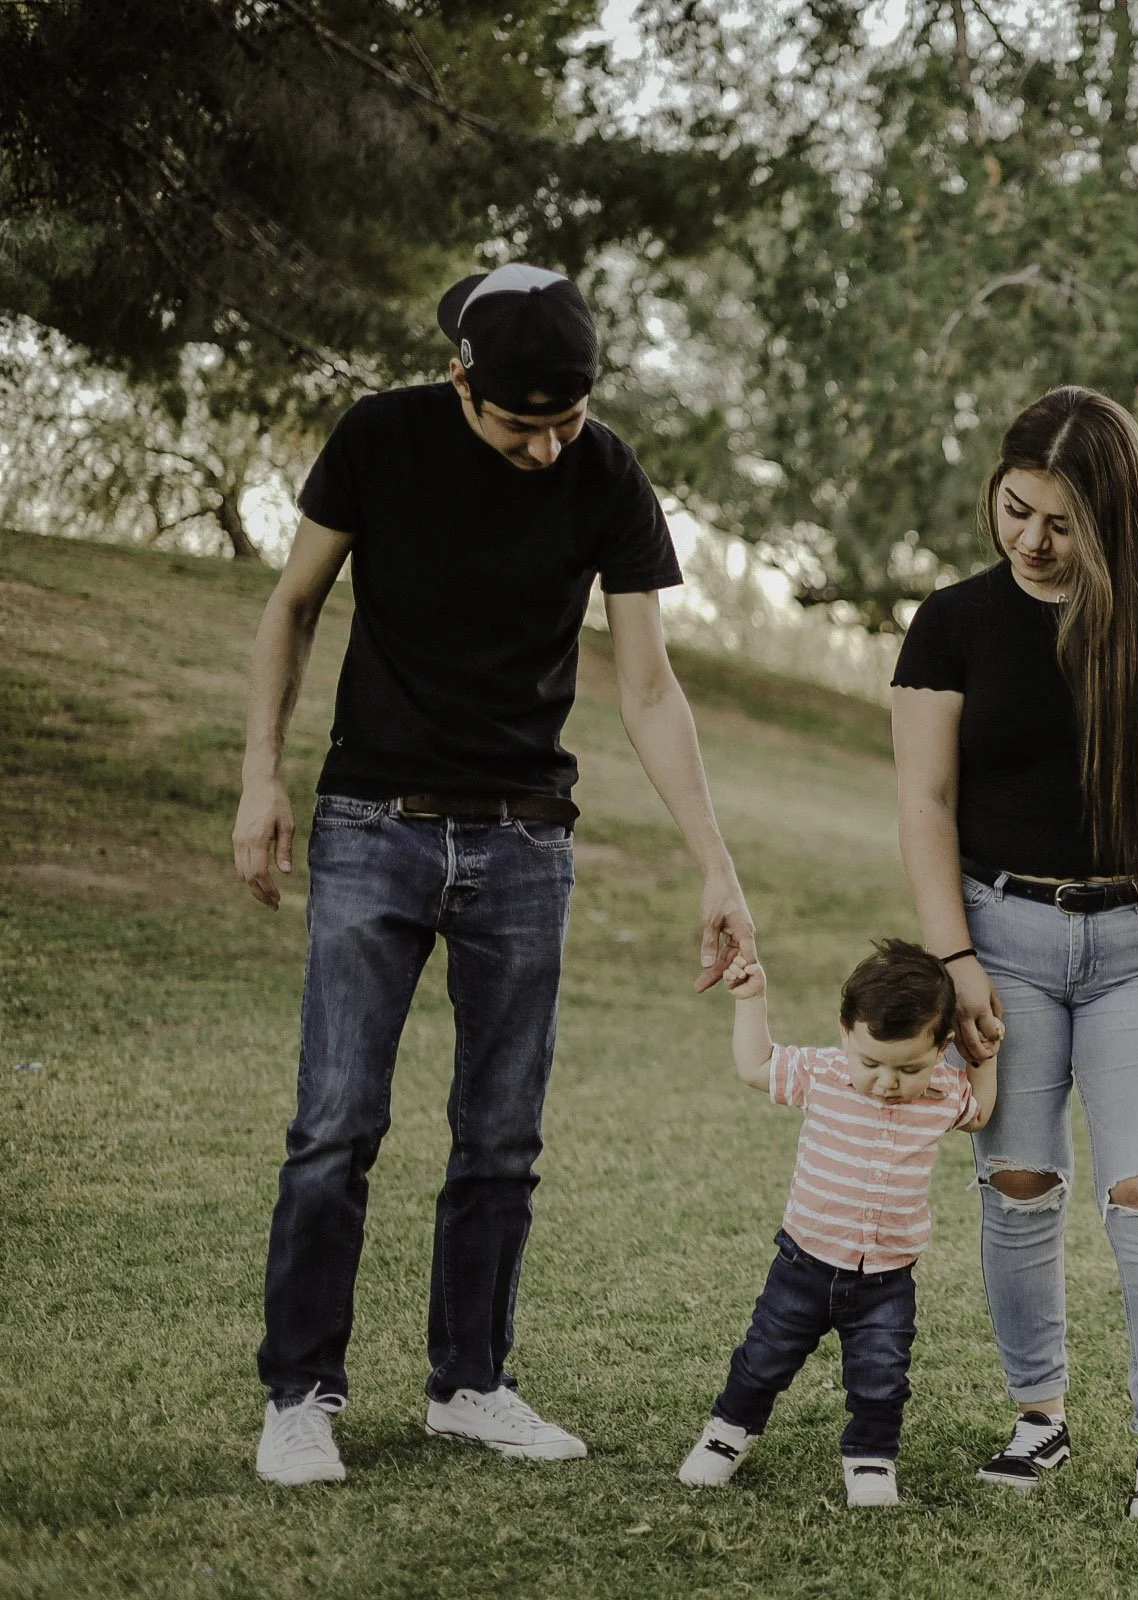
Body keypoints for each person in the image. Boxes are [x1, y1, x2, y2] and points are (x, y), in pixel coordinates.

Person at [233, 263, 757, 1487]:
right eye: (524, 424)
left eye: (567, 419)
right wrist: (261, 777)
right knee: (335, 1125)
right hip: (375, 820)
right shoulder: (380, 437)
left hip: (526, 839)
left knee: (502, 1138)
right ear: (460, 381)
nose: (547, 447)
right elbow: (293, 604)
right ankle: (300, 1395)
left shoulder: (607, 473)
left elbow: (648, 686)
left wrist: (716, 865)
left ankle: (469, 1384)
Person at [889, 386, 1138, 1522]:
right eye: (1016, 511)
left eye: (1061, 522)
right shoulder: (950, 623)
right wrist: (955, 960)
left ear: (1115, 517)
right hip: (1001, 937)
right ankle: (1037, 1416)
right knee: (1018, 1181)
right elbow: (925, 803)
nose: (1032, 541)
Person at [676, 941, 996, 1505]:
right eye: (871, 1063)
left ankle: (871, 1457)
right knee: (763, 1358)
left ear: (941, 1048)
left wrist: (984, 1054)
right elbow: (755, 1066)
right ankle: (727, 1434)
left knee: (882, 1377)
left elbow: (980, 1114)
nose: (887, 1082)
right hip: (802, 1265)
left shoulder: (944, 1093)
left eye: (909, 1068)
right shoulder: (822, 1073)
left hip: (887, 1281)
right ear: (847, 1032)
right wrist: (752, 999)